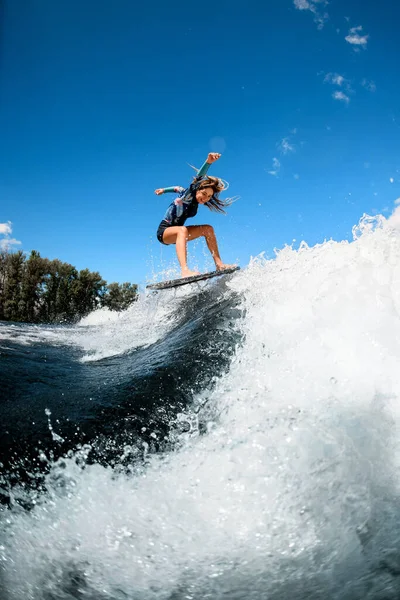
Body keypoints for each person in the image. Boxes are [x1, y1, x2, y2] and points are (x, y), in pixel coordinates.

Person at [154, 152, 236, 278]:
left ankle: (219, 264)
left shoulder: (186, 194)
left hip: (180, 233)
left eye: (209, 196)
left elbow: (178, 188)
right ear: (197, 189)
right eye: (204, 194)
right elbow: (199, 176)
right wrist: (208, 162)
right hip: (164, 232)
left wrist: (164, 190)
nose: (206, 198)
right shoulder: (190, 192)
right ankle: (185, 270)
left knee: (208, 229)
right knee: (182, 230)